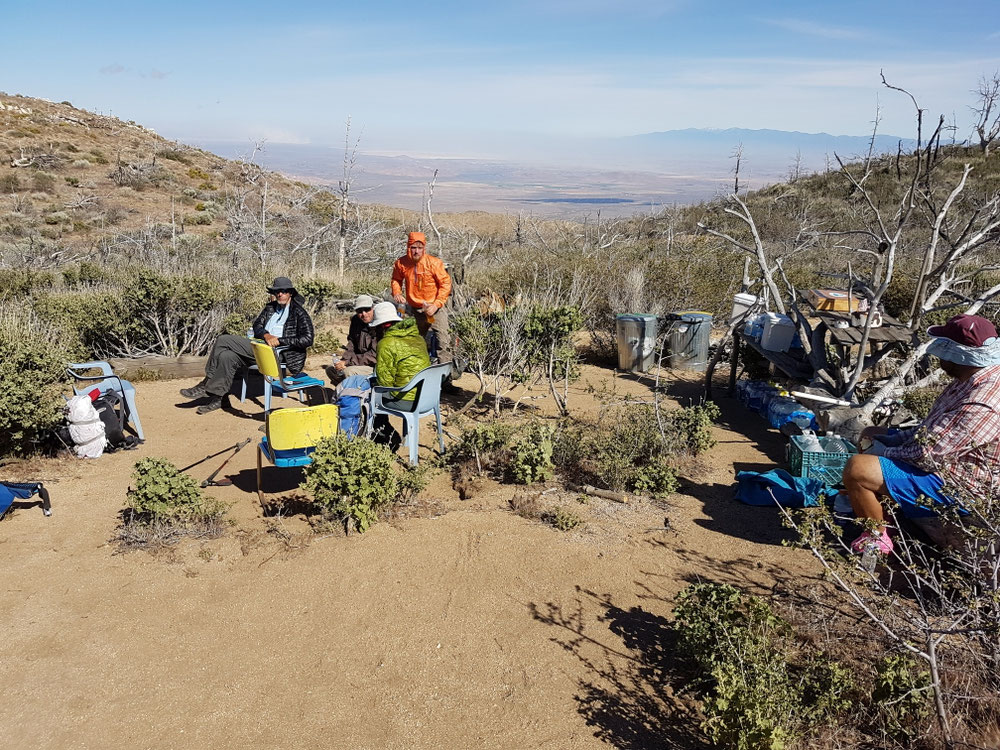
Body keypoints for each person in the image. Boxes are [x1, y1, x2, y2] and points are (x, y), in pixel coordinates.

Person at [843, 314, 1000, 555]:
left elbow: (928, 454)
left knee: (858, 468)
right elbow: (931, 431)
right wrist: (888, 438)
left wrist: (882, 450)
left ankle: (877, 536)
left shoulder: (981, 402)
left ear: (958, 353)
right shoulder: (971, 377)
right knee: (872, 434)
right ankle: (882, 511)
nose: (938, 356)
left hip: (962, 487)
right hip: (948, 464)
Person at [179, 276, 315, 414]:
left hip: (278, 354)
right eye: (277, 291)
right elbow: (257, 326)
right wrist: (266, 335)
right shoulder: (270, 308)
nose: (280, 294)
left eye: (284, 291)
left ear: (290, 293)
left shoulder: (299, 313)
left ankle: (206, 383)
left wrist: (280, 340)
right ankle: (219, 399)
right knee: (227, 356)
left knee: (223, 340)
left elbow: (308, 339)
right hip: (260, 346)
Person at [369, 301, 431, 448]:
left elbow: (385, 384)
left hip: (406, 401)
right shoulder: (418, 338)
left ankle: (384, 435)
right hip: (427, 398)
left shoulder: (386, 343)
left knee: (370, 394)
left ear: (382, 325)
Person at [391, 231, 453, 369]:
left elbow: (445, 284)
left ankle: (446, 380)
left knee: (444, 342)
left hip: (434, 310)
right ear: (408, 247)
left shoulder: (434, 263)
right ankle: (415, 373)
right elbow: (396, 279)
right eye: (413, 247)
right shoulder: (401, 263)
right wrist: (397, 292)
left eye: (420, 247)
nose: (416, 251)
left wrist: (436, 305)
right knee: (413, 341)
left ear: (424, 248)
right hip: (415, 311)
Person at [329, 294, 377, 382]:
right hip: (359, 361)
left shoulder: (379, 323)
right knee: (331, 370)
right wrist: (344, 359)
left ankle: (355, 393)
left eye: (367, 310)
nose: (364, 314)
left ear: (372, 308)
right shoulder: (356, 321)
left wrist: (348, 362)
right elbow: (351, 343)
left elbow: (373, 355)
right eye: (360, 311)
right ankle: (346, 391)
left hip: (375, 365)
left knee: (348, 371)